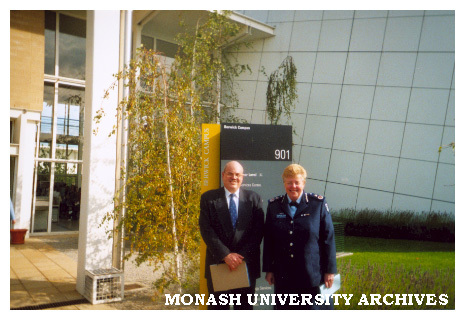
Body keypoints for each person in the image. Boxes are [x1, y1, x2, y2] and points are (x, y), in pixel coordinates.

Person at [263, 164, 337, 310]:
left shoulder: (318, 204)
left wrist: (330, 270)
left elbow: (328, 239)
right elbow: (269, 240)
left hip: (311, 276)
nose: (293, 186)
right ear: (284, 183)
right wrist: (269, 269)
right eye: (289, 182)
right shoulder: (274, 206)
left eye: (297, 182)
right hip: (283, 275)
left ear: (303, 183)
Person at [199, 161, 265, 310]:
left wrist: (239, 257)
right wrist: (226, 255)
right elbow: (206, 230)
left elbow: (258, 232)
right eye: (230, 173)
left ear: (242, 177)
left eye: (237, 174)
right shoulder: (208, 199)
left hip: (245, 265)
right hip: (219, 264)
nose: (233, 177)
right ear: (223, 175)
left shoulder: (254, 199)